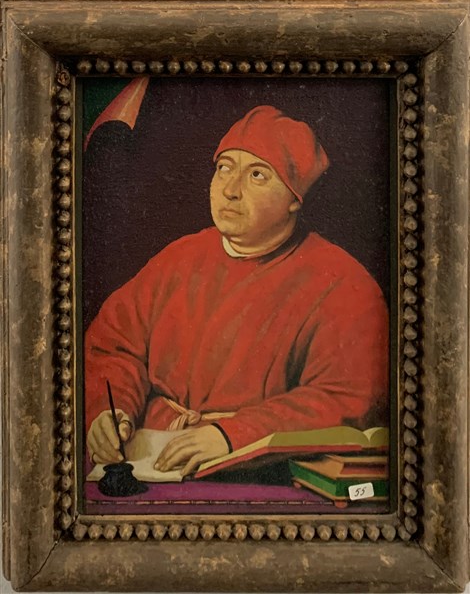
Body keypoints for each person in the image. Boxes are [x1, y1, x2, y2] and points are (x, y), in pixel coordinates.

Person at [85, 105, 389, 477]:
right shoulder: (179, 258)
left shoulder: (344, 283)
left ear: (295, 198)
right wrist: (111, 410)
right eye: (224, 168)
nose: (229, 190)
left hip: (259, 471)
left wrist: (232, 434)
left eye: (257, 174)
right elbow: (113, 346)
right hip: (149, 455)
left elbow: (348, 396)